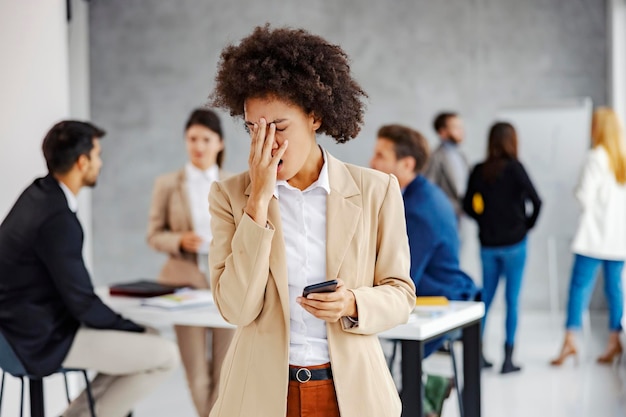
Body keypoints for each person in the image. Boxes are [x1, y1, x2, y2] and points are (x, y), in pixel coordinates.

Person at [207, 25, 416, 417]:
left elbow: (401, 294)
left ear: (315, 117)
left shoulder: (375, 190)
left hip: (350, 394)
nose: (266, 145)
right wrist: (259, 201)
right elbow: (235, 309)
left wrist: (352, 301)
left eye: (279, 128)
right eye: (254, 129)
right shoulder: (230, 197)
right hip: (261, 397)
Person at [0, 121, 179, 417]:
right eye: (97, 155)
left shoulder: (37, 194)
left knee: (145, 342)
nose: (100, 162)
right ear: (82, 162)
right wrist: (129, 327)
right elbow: (82, 302)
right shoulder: (57, 218)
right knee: (165, 356)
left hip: (17, 331)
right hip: (39, 340)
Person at [370, 124, 478, 416]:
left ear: (407, 164)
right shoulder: (417, 194)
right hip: (441, 292)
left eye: (381, 155)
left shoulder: (417, 208)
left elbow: (402, 276)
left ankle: (421, 393)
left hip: (438, 299)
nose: (371, 162)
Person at [147, 108, 235, 416]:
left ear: (220, 143)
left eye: (205, 139)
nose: (198, 146)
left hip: (226, 285)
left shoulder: (233, 185)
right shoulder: (168, 184)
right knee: (196, 371)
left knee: (226, 371)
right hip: (183, 284)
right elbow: (154, 234)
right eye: (192, 139)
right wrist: (179, 240)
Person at [463, 122, 542, 374]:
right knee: (512, 301)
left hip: (488, 244)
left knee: (486, 299)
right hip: (515, 244)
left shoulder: (479, 170)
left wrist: (483, 219)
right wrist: (525, 226)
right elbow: (537, 201)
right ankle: (508, 359)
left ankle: (478, 354)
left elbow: (466, 205)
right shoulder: (516, 169)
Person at [550, 107, 626, 367]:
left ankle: (570, 340)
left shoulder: (595, 157)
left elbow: (584, 196)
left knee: (578, 289)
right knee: (615, 290)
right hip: (617, 239)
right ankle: (615, 341)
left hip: (594, 238)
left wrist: (575, 190)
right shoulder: (621, 160)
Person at [424, 112, 469, 218]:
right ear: (442, 132)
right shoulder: (435, 157)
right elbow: (429, 188)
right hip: (444, 213)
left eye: (461, 127)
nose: (461, 131)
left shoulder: (461, 155)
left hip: (462, 213)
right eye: (456, 127)